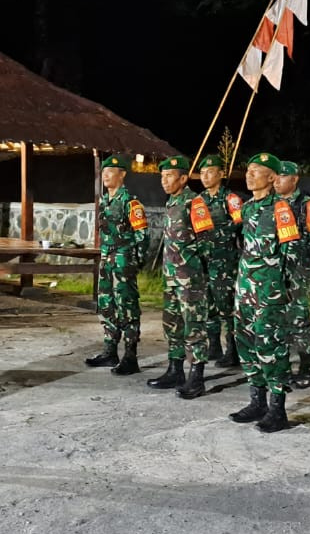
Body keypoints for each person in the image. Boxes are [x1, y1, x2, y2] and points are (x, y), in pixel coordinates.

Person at [229, 151, 303, 433]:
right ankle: (257, 401)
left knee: (270, 345)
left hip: (269, 290)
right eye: (248, 170)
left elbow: (292, 250)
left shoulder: (281, 208)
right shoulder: (247, 208)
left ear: (272, 177)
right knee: (247, 342)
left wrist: (281, 286)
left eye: (256, 171)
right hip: (246, 287)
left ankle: (278, 409)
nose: (249, 175)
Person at [147, 155, 214, 399]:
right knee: (172, 324)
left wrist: (194, 269)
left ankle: (196, 378)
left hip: (189, 279)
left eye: (169, 176)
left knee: (194, 327)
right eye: (162, 177)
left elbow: (206, 240)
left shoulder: (193, 203)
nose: (164, 181)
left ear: (183, 178)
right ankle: (175, 370)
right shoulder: (172, 202)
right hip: (171, 278)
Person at [86, 153, 147, 376]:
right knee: (106, 304)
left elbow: (142, 235)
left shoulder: (130, 203)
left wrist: (135, 261)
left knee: (127, 306)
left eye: (110, 172)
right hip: (106, 260)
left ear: (122, 174)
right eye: (103, 172)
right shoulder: (105, 201)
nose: (105, 176)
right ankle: (109, 351)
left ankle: (130, 356)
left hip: (123, 261)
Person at [273, 159, 310, 389]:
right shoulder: (270, 203)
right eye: (274, 177)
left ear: (294, 179)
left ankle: (306, 369)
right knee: (275, 321)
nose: (276, 181)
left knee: (299, 321)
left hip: (297, 271)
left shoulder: (307, 205)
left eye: (281, 177)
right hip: (272, 271)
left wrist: (306, 266)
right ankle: (281, 368)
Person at [197, 153, 242, 369]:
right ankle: (213, 346)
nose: (205, 177)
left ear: (221, 174)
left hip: (225, 262)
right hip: (204, 260)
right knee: (209, 305)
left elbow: (239, 224)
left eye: (210, 172)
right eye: (202, 173)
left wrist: (215, 234)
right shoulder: (199, 201)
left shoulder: (230, 199)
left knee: (227, 307)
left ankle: (233, 351)